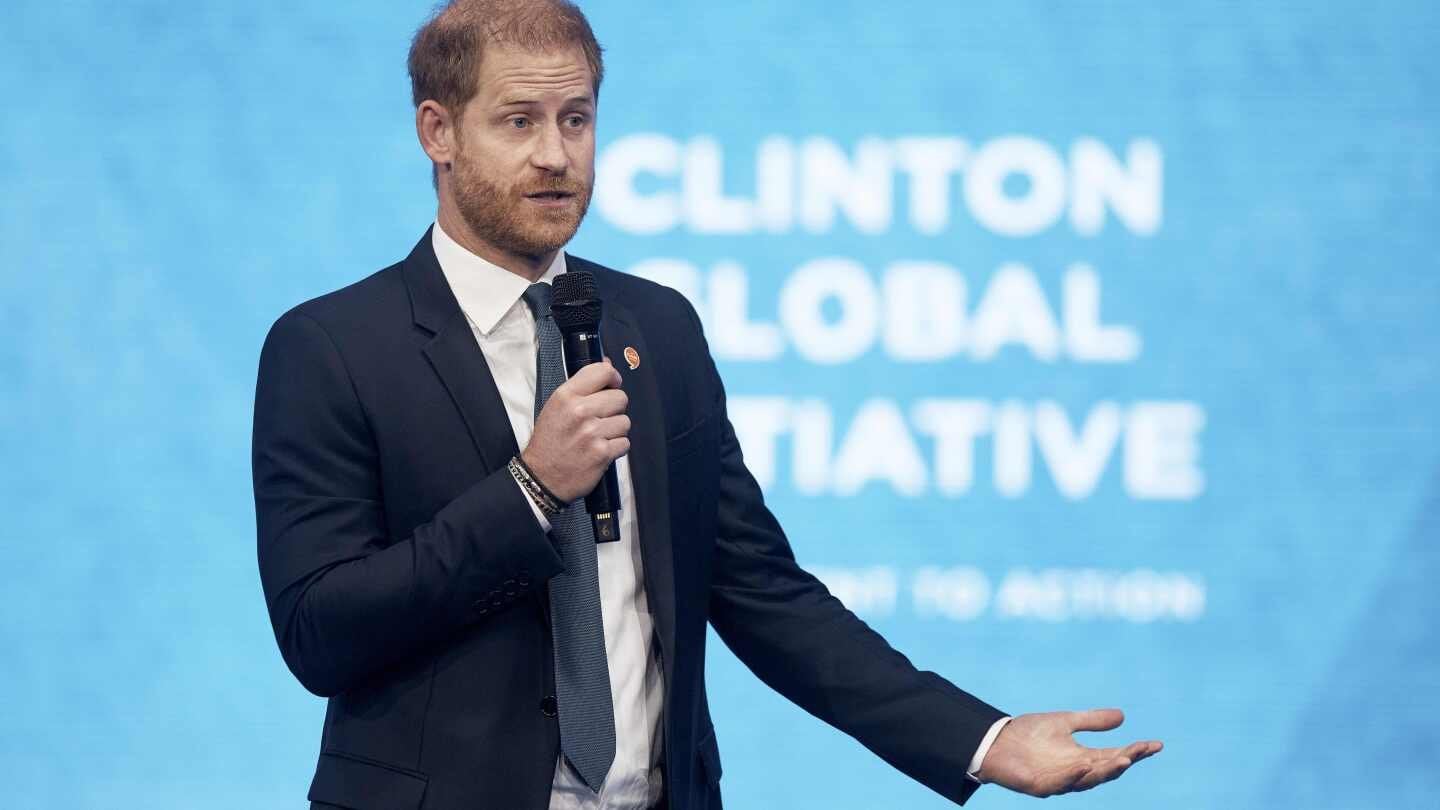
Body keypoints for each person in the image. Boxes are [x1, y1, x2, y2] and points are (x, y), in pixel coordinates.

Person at [251, 2, 1163, 808]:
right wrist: (530, 490)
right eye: (518, 120)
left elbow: (763, 592)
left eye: (578, 119)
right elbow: (320, 632)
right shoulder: (331, 349)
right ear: (436, 132)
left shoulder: (656, 327)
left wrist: (985, 740)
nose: (555, 155)